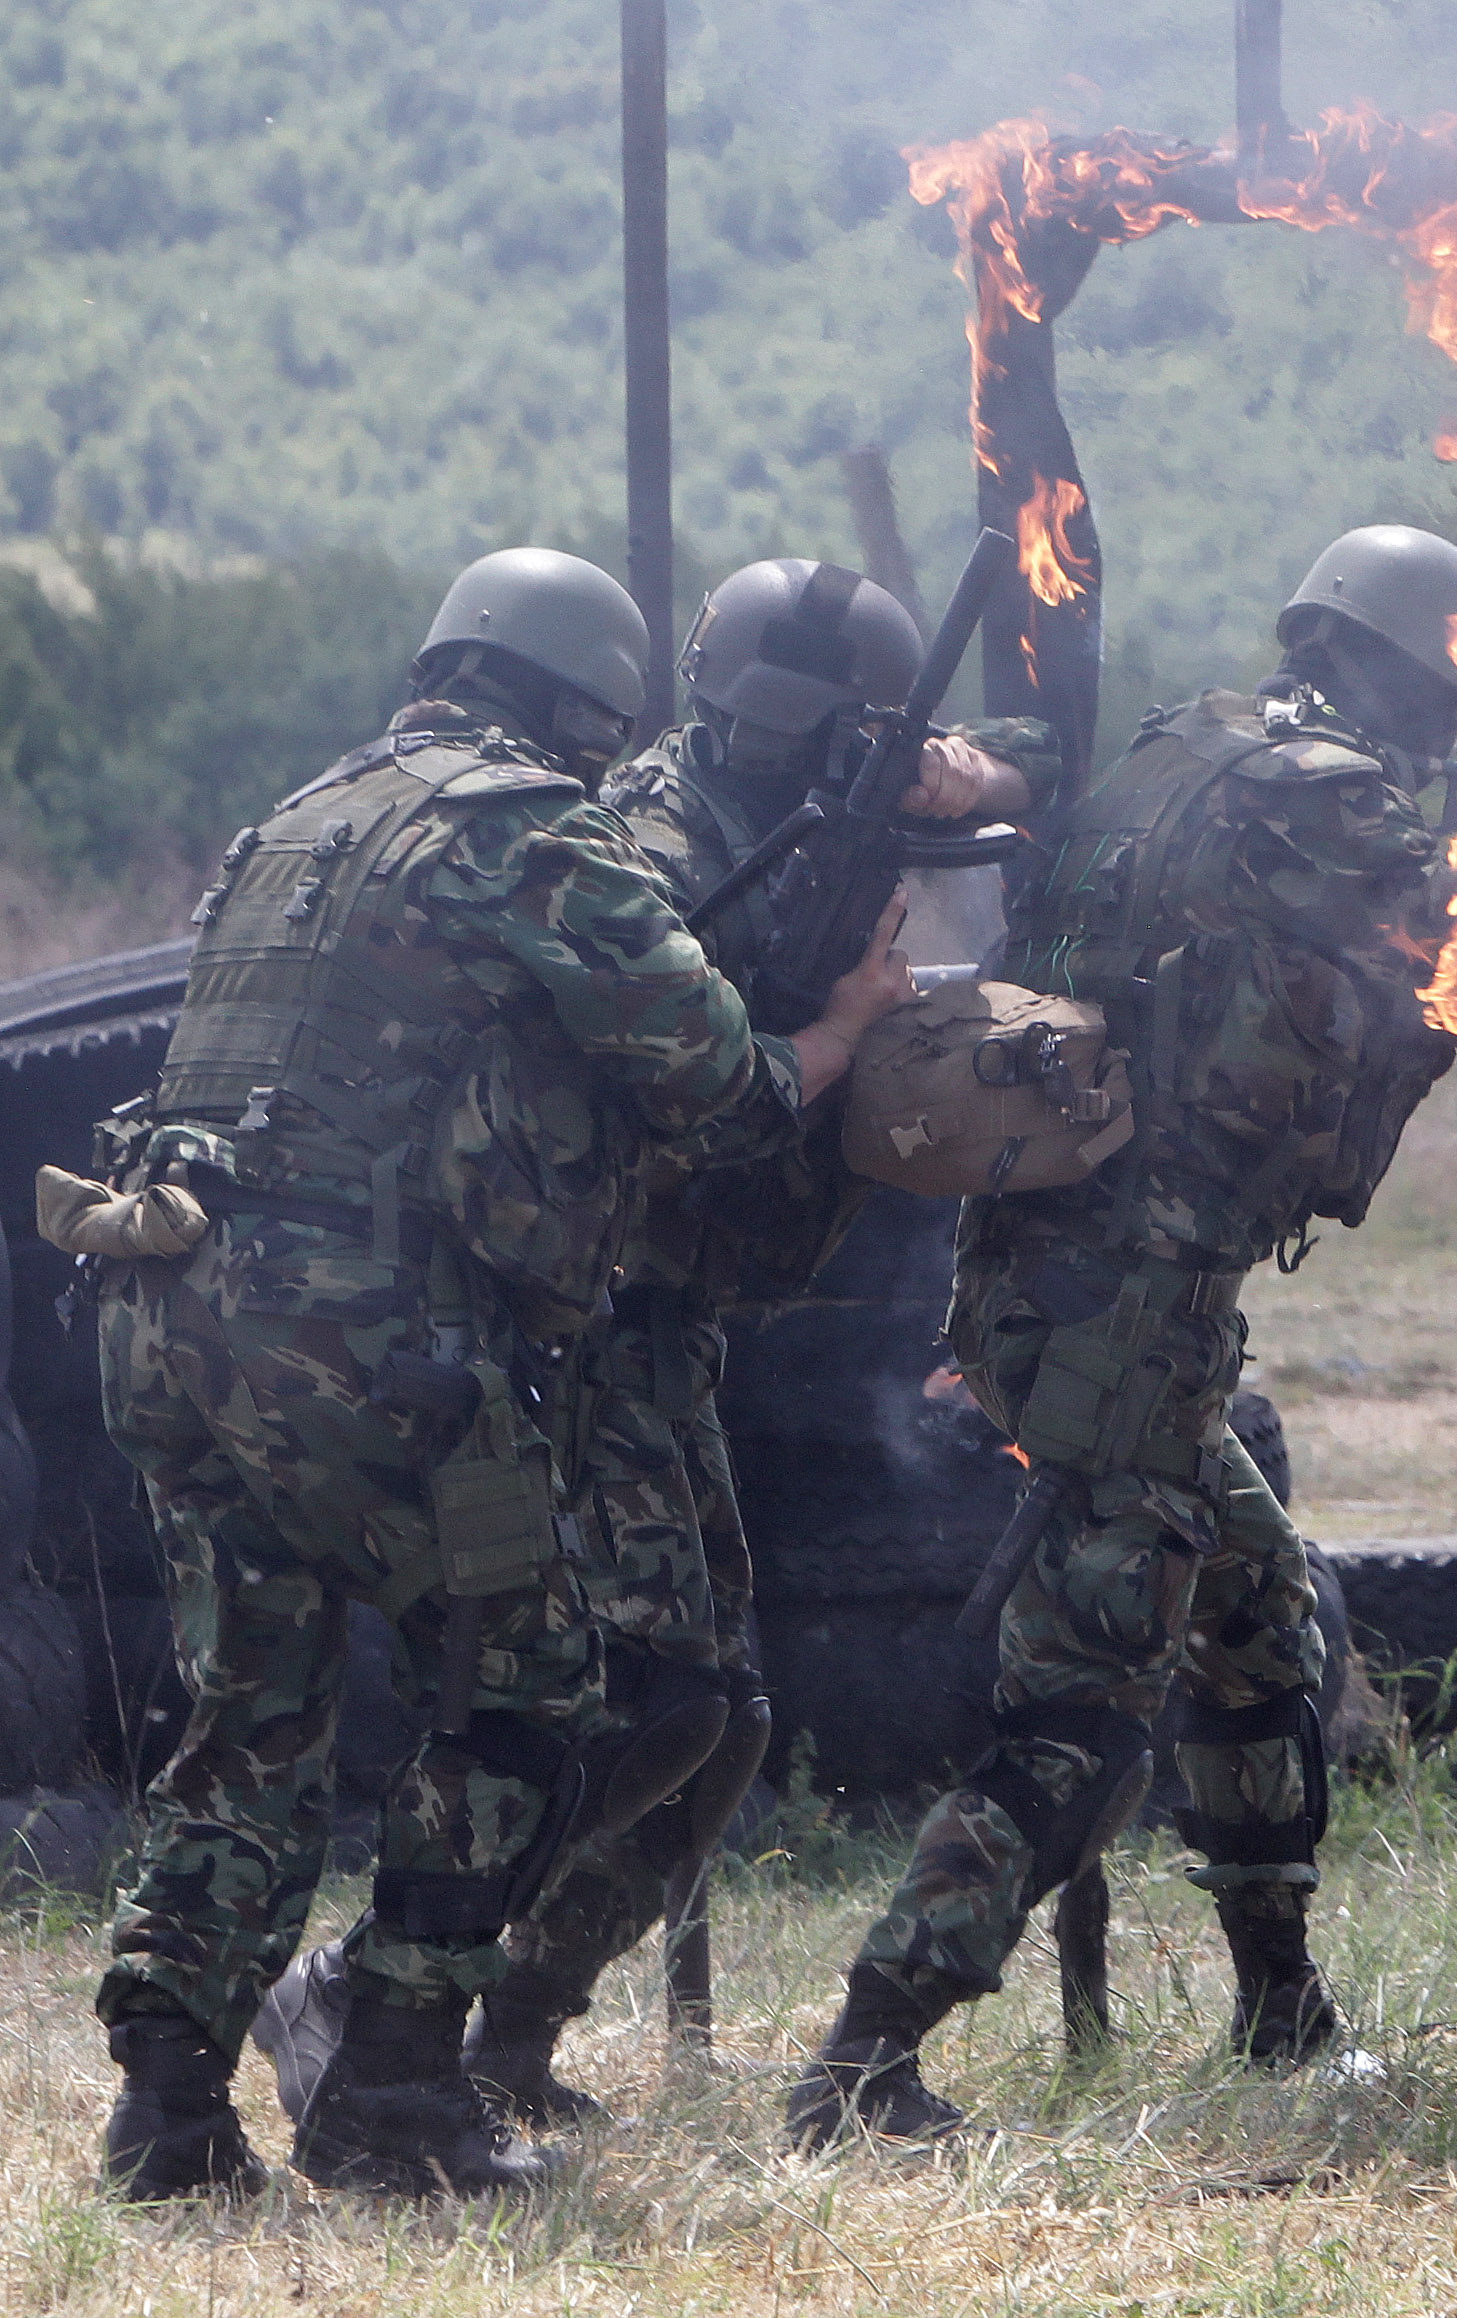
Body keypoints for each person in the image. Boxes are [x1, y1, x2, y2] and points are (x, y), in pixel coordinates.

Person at [81, 549, 912, 2202]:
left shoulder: (311, 812)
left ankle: (167, 2125)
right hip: (358, 1324)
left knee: (251, 1715)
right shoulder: (527, 825)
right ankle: (388, 2080)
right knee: (530, 1690)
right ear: (589, 707)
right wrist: (849, 1020)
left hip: (163, 1291)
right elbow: (718, 1083)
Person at [247, 559, 1052, 2131]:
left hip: (670, 1320)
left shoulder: (810, 806)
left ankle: (506, 2029)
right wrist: (825, 1026)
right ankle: (374, 1987)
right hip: (587, 1307)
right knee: (654, 1694)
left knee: (722, 1713)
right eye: (801, 734)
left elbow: (1055, 739)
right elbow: (663, 1088)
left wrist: (976, 769)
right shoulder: (658, 847)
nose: (796, 754)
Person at [783, 525, 1457, 2146]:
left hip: (1076, 1279)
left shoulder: (1198, 744)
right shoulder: (1327, 792)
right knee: (1081, 1716)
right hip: (1128, 1305)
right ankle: (861, 2056)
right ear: (1409, 670)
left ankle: (1276, 2001)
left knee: (1255, 1619)